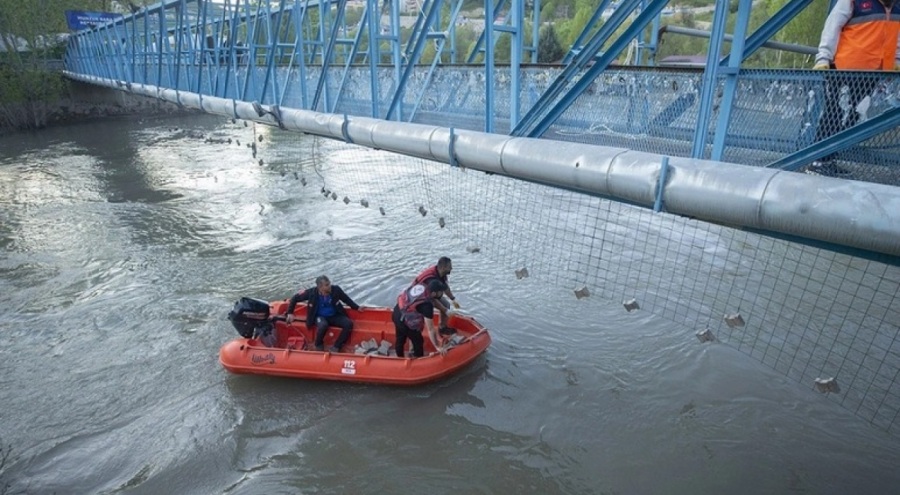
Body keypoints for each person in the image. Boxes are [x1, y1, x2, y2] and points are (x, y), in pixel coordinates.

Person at [808, 0, 900, 176]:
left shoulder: (897, 7)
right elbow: (832, 25)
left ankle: (828, 159)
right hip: (845, 68)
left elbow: (897, 37)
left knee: (853, 116)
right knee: (834, 114)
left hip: (872, 73)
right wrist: (823, 58)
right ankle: (816, 160)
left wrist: (896, 61)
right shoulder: (853, 1)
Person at [284, 275, 361, 352]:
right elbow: (294, 298)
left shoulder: (336, 290)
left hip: (334, 315)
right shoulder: (311, 293)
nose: (329, 286)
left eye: (329, 283)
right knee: (323, 325)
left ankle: (336, 346)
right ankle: (318, 344)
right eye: (327, 285)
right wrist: (290, 313)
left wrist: (357, 307)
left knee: (348, 323)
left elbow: (346, 299)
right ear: (320, 287)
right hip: (319, 317)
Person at [392, 279, 449, 358]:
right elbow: (430, 329)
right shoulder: (427, 306)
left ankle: (399, 358)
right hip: (405, 322)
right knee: (418, 341)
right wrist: (437, 346)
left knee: (400, 338)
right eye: (440, 292)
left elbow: (434, 301)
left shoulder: (422, 286)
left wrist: (445, 310)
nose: (442, 294)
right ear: (433, 293)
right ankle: (418, 358)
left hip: (397, 312)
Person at [412, 257, 460, 335]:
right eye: (449, 267)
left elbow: (445, 287)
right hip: (420, 298)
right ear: (443, 267)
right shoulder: (430, 279)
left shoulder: (441, 274)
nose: (451, 268)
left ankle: (442, 328)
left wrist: (453, 299)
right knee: (443, 307)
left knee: (446, 304)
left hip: (432, 295)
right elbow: (432, 299)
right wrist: (445, 310)